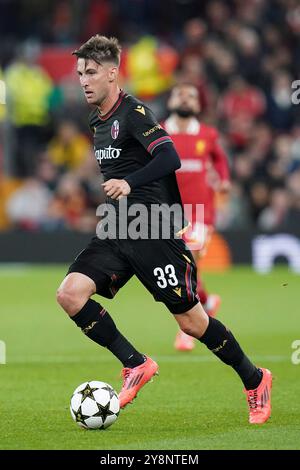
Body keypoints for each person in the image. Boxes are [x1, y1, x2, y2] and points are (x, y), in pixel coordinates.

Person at [56, 35, 272, 424]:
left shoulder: (134, 112)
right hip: (119, 226)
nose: (83, 80)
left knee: (192, 323)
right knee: (70, 295)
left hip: (154, 230)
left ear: (111, 73)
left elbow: (168, 156)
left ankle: (255, 380)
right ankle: (135, 364)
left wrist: (131, 184)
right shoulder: (95, 120)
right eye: (79, 74)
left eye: (90, 73)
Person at [163, 83, 230, 351]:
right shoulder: (157, 133)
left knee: (186, 265)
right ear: (170, 101)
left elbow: (220, 160)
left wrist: (224, 180)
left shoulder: (208, 134)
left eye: (191, 96)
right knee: (182, 271)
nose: (186, 99)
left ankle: (187, 330)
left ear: (199, 106)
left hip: (200, 211)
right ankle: (206, 301)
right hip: (167, 212)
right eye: (180, 93)